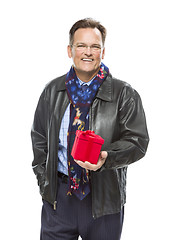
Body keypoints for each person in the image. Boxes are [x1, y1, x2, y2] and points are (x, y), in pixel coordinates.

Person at [31, 18, 149, 240]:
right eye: (81, 46)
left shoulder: (124, 94)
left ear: (103, 52)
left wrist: (107, 157)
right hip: (59, 201)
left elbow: (138, 142)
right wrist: (45, 184)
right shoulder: (52, 91)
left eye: (95, 46)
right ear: (70, 50)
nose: (88, 52)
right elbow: (39, 139)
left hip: (103, 201)